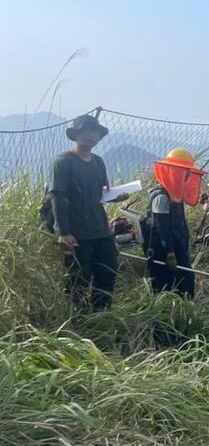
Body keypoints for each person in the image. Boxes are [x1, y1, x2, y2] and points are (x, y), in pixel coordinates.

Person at [48, 113, 122, 310]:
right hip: (77, 233)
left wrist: (118, 196)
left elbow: (100, 195)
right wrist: (64, 233)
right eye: (86, 131)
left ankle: (101, 315)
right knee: (78, 279)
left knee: (107, 274)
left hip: (101, 230)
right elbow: (57, 197)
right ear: (76, 134)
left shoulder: (98, 162)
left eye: (95, 132)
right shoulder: (63, 162)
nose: (91, 135)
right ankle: (78, 319)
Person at [145, 148, 205, 297]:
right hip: (162, 250)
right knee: (164, 284)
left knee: (185, 281)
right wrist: (170, 253)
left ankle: (185, 310)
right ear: (173, 172)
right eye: (183, 172)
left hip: (177, 246)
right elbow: (162, 226)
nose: (186, 176)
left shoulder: (175, 193)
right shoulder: (161, 196)